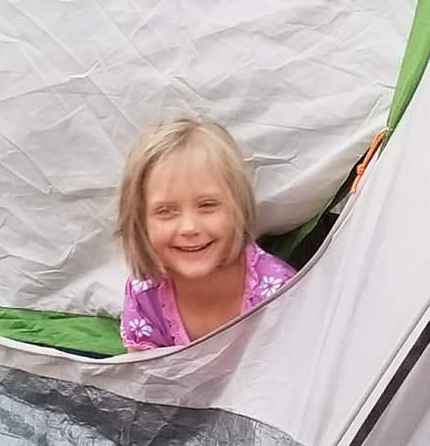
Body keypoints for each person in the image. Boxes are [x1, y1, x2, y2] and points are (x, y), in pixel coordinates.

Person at [117, 118, 296, 350]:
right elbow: (143, 379)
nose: (189, 227)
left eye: (207, 205)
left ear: (238, 208)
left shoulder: (280, 293)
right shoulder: (145, 294)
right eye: (166, 211)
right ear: (140, 221)